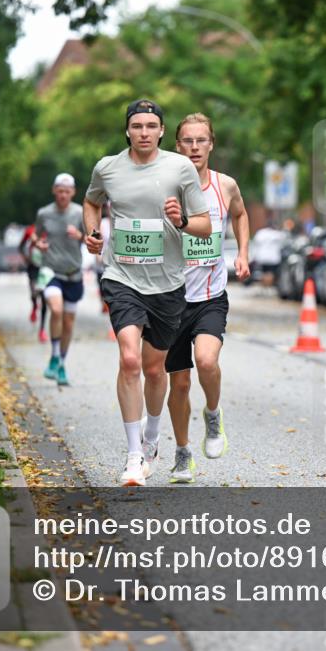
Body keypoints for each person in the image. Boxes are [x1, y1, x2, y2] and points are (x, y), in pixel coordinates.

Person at [83, 99, 210, 486]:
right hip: (122, 278)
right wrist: (92, 233)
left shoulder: (180, 168)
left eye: (151, 126)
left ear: (160, 130)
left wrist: (182, 220)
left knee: (156, 369)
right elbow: (92, 201)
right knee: (130, 360)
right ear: (127, 130)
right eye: (136, 126)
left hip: (168, 284)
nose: (143, 132)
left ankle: (153, 436)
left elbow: (204, 226)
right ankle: (134, 455)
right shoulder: (108, 168)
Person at [164, 113, 251, 484]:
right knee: (179, 384)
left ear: (211, 144)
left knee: (207, 361)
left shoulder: (224, 185)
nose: (194, 147)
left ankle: (213, 416)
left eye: (201, 140)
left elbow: (241, 214)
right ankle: (183, 453)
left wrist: (243, 252)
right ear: (177, 145)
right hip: (169, 299)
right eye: (187, 141)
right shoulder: (164, 186)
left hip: (210, 296)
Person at [34, 173, 86, 386]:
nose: (63, 195)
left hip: (74, 273)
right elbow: (36, 236)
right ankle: (54, 355)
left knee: (68, 321)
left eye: (67, 191)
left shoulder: (80, 213)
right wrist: (39, 244)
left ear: (72, 192)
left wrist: (80, 236)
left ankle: (62, 363)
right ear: (54, 190)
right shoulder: (44, 213)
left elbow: (93, 239)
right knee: (56, 310)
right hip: (50, 272)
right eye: (60, 191)